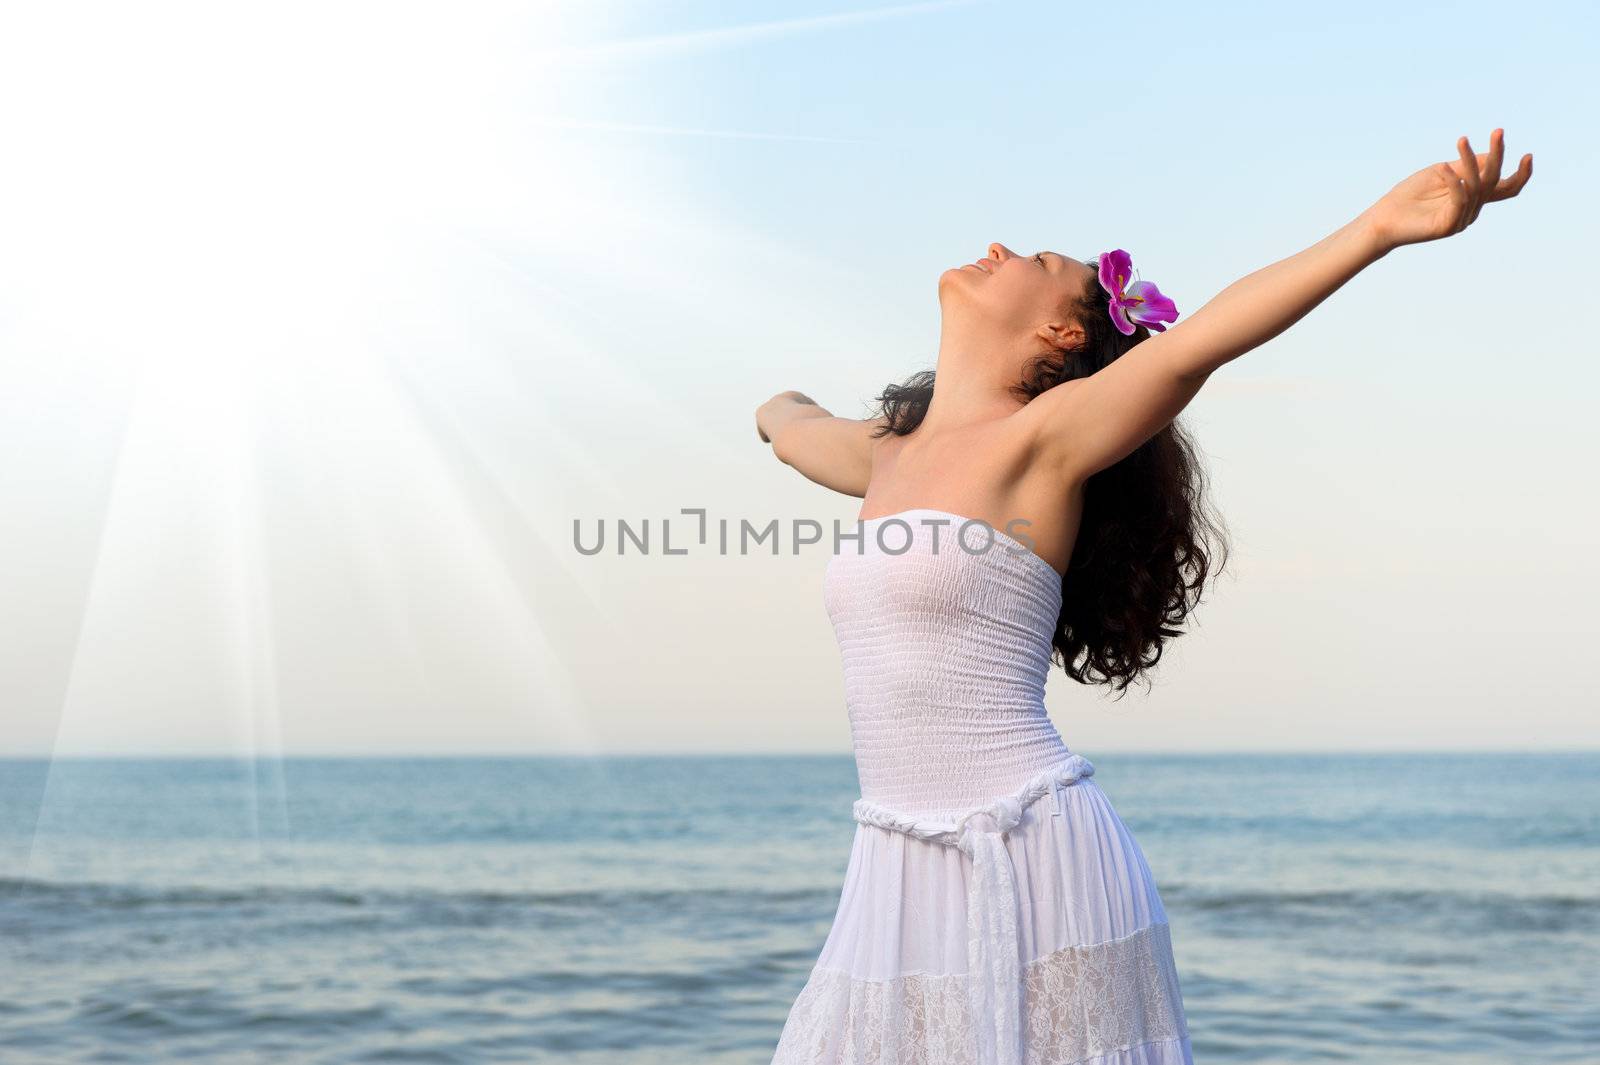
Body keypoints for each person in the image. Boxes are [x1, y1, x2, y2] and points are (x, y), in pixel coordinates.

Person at [755, 131, 1531, 1065]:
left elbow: (1199, 343)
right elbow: (788, 423)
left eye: (1036, 262)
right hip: (894, 862)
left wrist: (1377, 229)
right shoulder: (882, 455)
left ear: (1064, 334)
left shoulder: (1044, 440)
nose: (1000, 247)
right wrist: (796, 408)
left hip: (1036, 849)